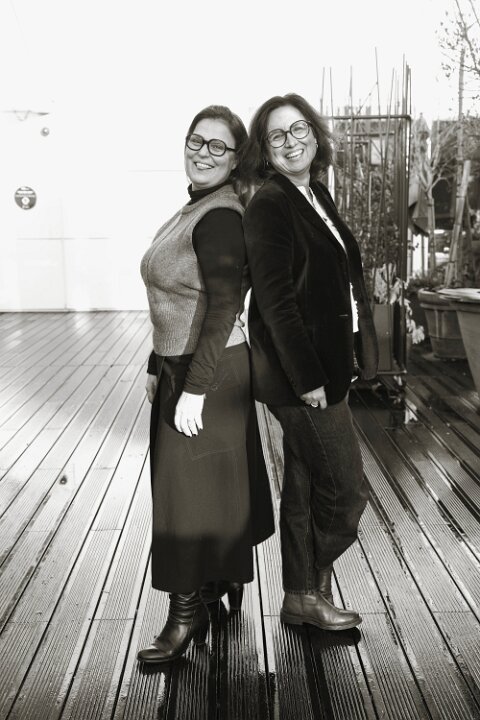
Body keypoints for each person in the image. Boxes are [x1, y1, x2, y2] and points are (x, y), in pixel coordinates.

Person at [138, 105, 274, 664]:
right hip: (186, 365)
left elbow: (222, 307)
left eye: (219, 146)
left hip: (207, 371)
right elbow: (177, 301)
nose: (203, 152)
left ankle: (185, 613)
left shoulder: (219, 217)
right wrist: (157, 363)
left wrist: (193, 387)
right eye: (197, 140)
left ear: (236, 158)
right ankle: (222, 579)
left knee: (183, 498)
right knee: (207, 488)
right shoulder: (194, 206)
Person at [241, 94, 378, 632]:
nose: (291, 141)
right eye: (277, 135)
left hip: (327, 363)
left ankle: (303, 597)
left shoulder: (314, 192)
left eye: (298, 129)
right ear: (265, 149)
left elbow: (337, 277)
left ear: (315, 135)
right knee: (346, 489)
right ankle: (305, 589)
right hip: (301, 375)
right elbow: (275, 302)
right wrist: (309, 379)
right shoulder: (270, 204)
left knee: (303, 485)